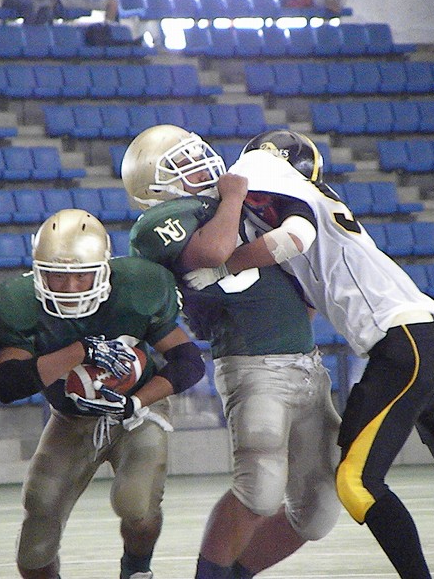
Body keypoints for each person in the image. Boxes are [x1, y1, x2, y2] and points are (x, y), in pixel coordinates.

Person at [183, 129, 434, 579]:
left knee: (355, 481)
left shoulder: (269, 175)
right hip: (431, 336)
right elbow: (307, 291)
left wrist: (226, 264)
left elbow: (295, 235)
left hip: (403, 344)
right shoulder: (313, 206)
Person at [121, 125, 342, 579]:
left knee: (318, 511)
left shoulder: (232, 202)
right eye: (183, 162)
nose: (201, 163)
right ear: (153, 183)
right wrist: (235, 197)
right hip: (252, 363)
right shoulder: (163, 220)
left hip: (307, 363)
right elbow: (216, 250)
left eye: (197, 153)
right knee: (259, 487)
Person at [0, 208, 205, 579]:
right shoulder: (16, 302)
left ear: (104, 269)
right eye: (57, 275)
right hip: (71, 418)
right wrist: (81, 351)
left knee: (136, 504)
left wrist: (135, 402)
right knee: (37, 528)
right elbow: (7, 384)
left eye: (82, 275)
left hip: (138, 412)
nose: (70, 288)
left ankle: (136, 570)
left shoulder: (139, 285)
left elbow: (188, 361)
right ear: (37, 272)